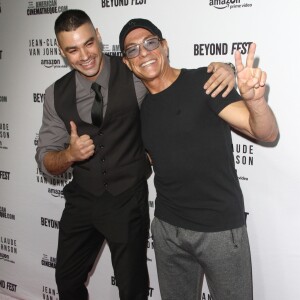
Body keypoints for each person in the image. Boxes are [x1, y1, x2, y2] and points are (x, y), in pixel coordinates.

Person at [35, 9, 236, 300]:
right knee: (66, 281)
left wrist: (225, 68)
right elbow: (45, 160)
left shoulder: (134, 70)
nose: (85, 55)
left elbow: (179, 82)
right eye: (73, 50)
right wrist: (68, 155)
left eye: (89, 43)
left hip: (127, 199)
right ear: (61, 51)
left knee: (133, 289)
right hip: (82, 200)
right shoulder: (55, 94)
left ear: (99, 37)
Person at [119, 18, 279, 300]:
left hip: (219, 230)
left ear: (164, 46)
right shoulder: (139, 109)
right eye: (132, 50)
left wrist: (255, 102)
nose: (143, 53)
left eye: (150, 43)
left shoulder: (205, 82)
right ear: (127, 62)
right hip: (168, 231)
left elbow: (264, 133)